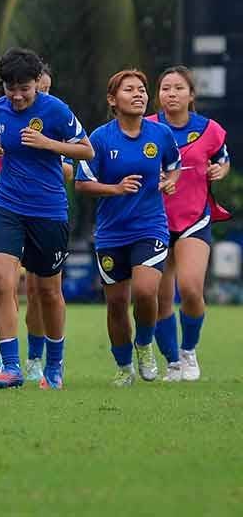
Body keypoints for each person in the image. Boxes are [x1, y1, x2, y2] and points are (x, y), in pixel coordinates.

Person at [0, 47, 93, 390]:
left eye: (24, 89)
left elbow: (86, 149)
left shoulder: (56, 110)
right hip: (6, 205)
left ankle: (54, 366)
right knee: (1, 281)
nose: (16, 96)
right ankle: (11, 367)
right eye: (10, 87)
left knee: (48, 291)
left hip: (47, 209)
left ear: (36, 84)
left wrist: (48, 143)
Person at [75, 69, 180, 386]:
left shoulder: (160, 135)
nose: (139, 94)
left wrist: (169, 182)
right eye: (130, 89)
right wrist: (115, 189)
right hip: (111, 232)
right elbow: (82, 184)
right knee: (117, 303)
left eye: (142, 89)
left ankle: (145, 345)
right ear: (113, 100)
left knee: (147, 293)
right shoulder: (100, 138)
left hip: (150, 227)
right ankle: (124, 367)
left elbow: (174, 166)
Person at [148, 66, 231, 381]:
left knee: (192, 288)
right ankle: (172, 362)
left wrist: (220, 170)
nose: (171, 94)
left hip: (194, 218)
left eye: (178, 88)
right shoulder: (147, 127)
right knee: (159, 296)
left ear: (191, 95)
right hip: (152, 220)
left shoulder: (209, 129)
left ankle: (189, 350)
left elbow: (222, 158)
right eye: (166, 88)